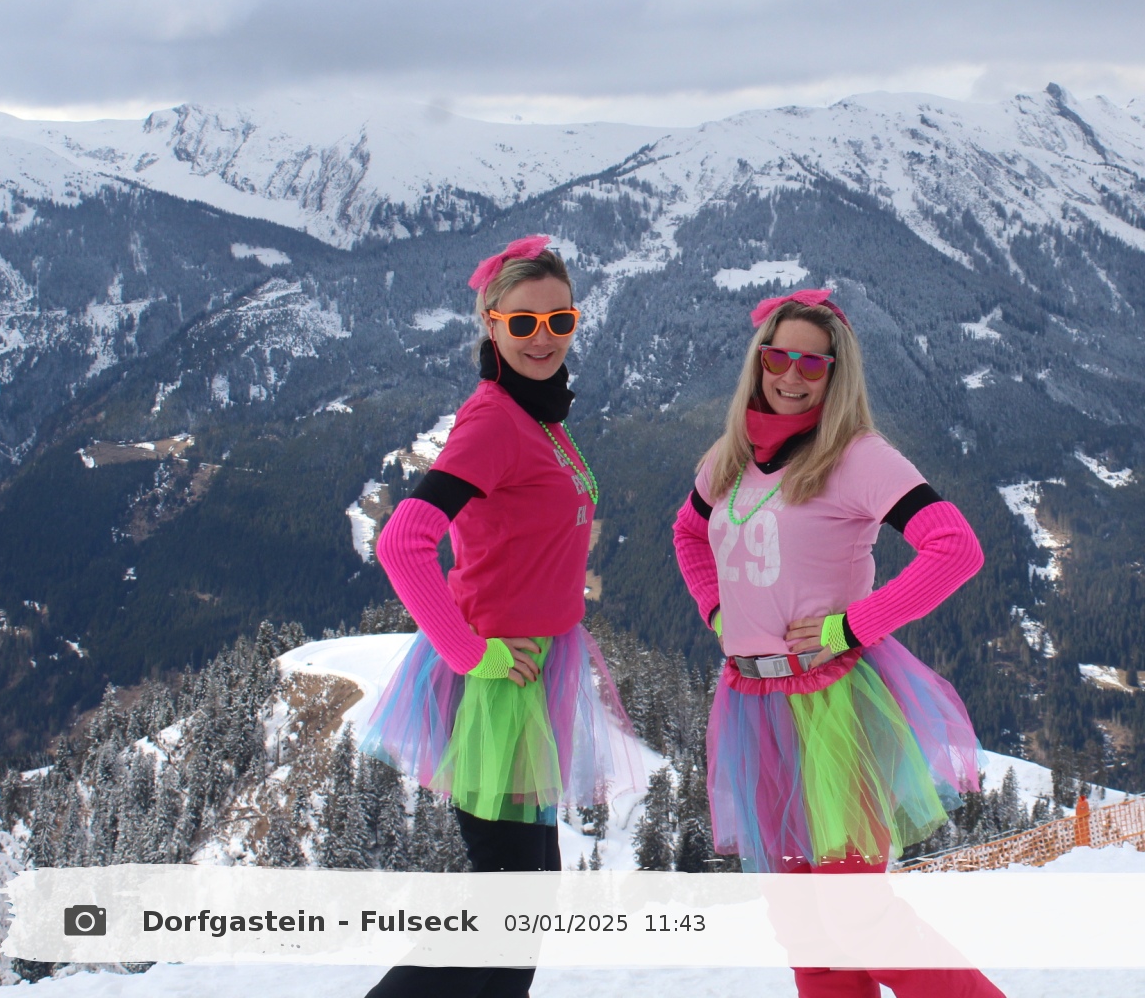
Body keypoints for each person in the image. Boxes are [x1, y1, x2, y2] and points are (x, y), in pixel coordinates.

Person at [673, 288, 1005, 998]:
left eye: (812, 364)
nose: (790, 376)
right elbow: (688, 533)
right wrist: (716, 610)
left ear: (836, 374)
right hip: (752, 704)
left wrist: (851, 626)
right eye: (777, 358)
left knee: (856, 916)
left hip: (835, 706)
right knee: (805, 932)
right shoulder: (729, 457)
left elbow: (956, 547)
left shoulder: (858, 456)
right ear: (758, 362)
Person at [359, 235, 640, 998]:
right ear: (491, 325)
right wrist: (468, 652)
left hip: (532, 672)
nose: (543, 338)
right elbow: (403, 540)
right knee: (507, 901)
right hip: (499, 684)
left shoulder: (536, 413)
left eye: (559, 320)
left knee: (523, 897)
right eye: (523, 323)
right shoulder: (494, 422)